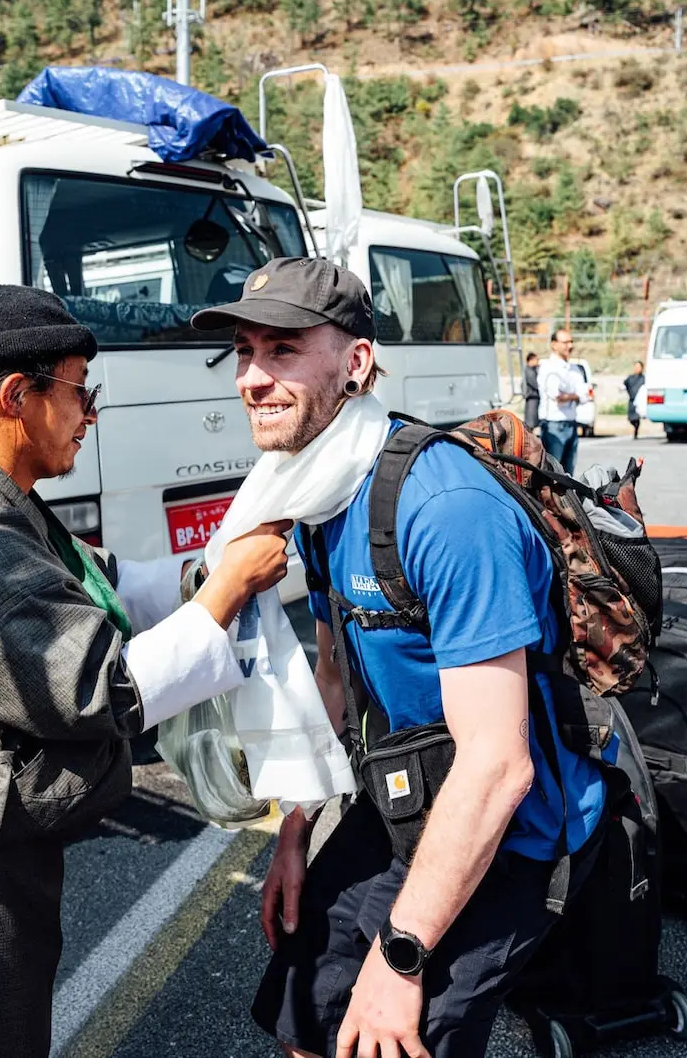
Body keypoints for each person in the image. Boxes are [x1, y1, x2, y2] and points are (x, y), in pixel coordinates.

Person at [0, 283, 291, 1058]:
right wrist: (228, 587)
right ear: (17, 395)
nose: (92, 413)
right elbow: (101, 688)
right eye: (81, 390)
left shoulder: (7, 507)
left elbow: (108, 587)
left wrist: (219, 559)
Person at [191, 257, 606, 1058]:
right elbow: (334, 679)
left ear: (355, 364)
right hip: (405, 798)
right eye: (244, 350)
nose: (250, 377)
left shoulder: (444, 510)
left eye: (281, 350)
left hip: (514, 826)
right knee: (306, 1025)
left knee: (387, 1034)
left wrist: (401, 952)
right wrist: (296, 826)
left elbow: (499, 766)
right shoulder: (313, 489)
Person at [537, 328, 584, 474]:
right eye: (565, 342)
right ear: (554, 344)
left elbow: (586, 394)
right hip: (553, 426)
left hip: (571, 423)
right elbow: (557, 396)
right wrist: (575, 395)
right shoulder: (548, 367)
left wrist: (571, 395)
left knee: (569, 475)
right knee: (552, 475)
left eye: (571, 342)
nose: (570, 346)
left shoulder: (574, 369)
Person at [624, 359, 646, 440]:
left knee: (637, 417)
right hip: (632, 400)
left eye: (639, 367)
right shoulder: (630, 378)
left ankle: (636, 431)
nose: (637, 369)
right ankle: (635, 426)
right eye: (636, 367)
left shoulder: (644, 378)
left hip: (640, 401)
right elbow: (625, 385)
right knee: (631, 418)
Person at [522, 351, 541, 431]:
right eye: (536, 360)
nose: (538, 362)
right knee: (530, 422)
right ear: (531, 360)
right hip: (532, 398)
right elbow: (536, 384)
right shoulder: (529, 372)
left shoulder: (532, 370)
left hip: (534, 399)